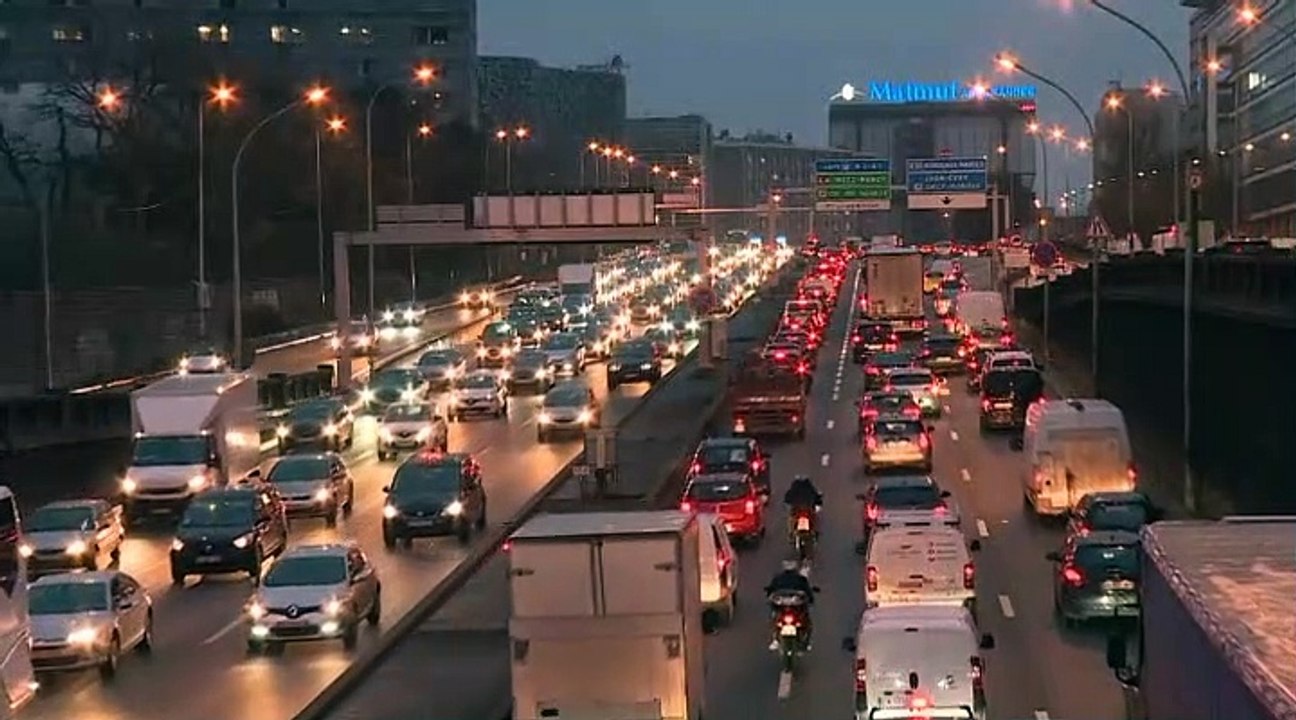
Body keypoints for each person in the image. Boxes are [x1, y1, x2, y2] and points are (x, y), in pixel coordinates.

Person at [764, 560, 815, 650]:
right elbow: (808, 593)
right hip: (794, 610)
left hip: (786, 610)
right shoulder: (800, 579)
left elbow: (770, 591)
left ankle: (775, 639)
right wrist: (811, 600)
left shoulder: (778, 578)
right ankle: (806, 643)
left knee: (774, 617)